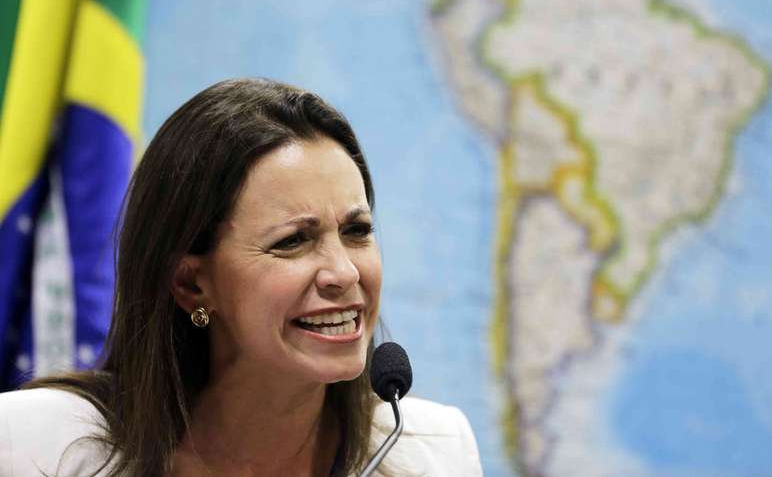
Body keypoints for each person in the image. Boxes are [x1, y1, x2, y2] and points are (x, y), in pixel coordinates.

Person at [0, 78, 483, 476]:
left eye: (356, 231)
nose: (343, 271)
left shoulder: (432, 450)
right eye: (293, 241)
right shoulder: (35, 445)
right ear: (191, 285)